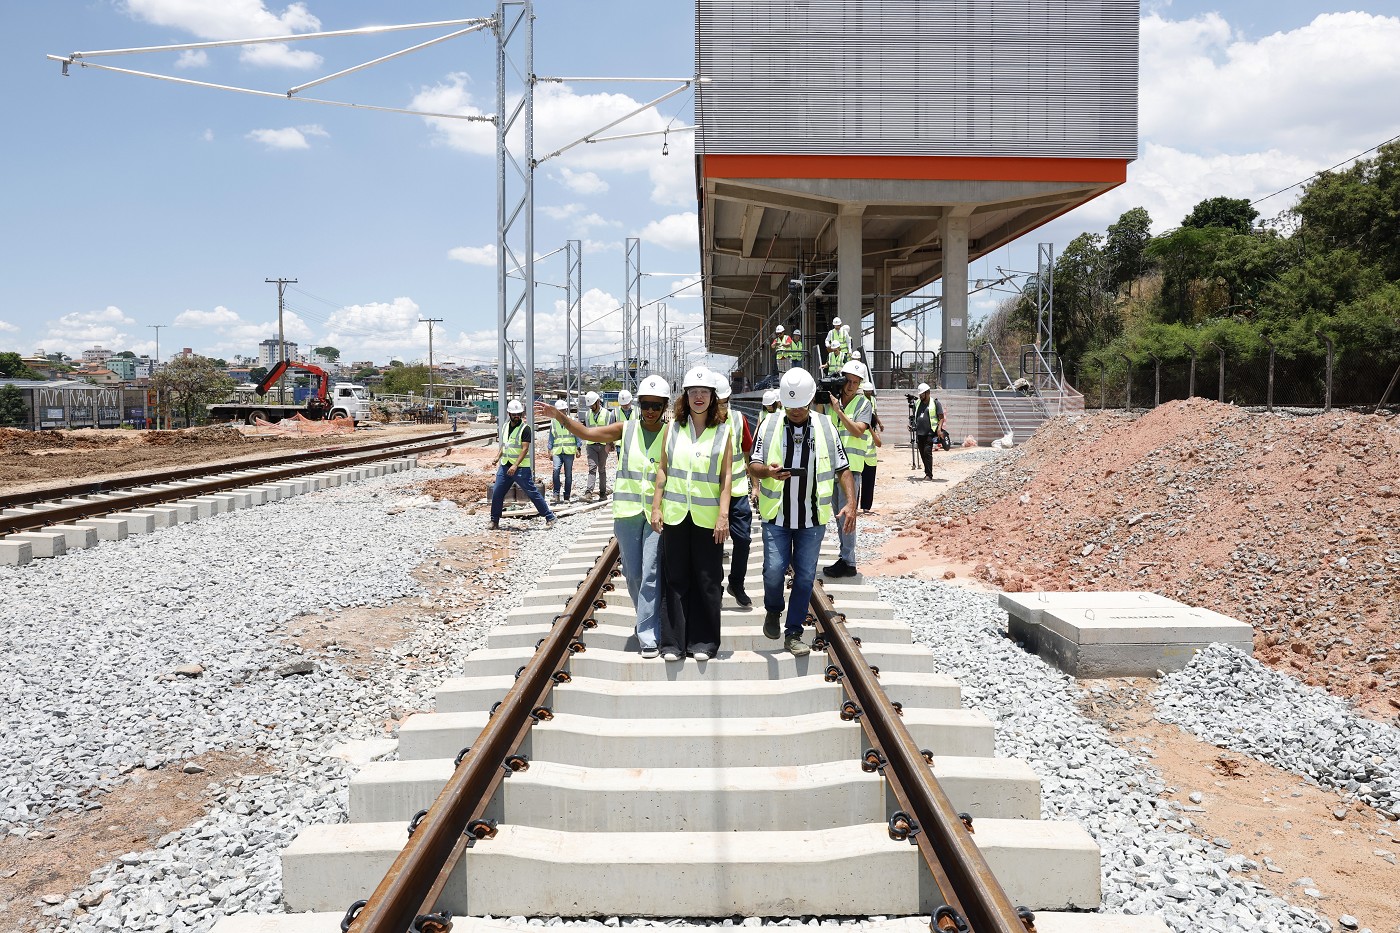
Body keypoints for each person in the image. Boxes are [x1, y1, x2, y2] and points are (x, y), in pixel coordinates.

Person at [536, 375, 671, 658]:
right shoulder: (627, 428)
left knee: (651, 572)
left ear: (664, 407)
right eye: (646, 405)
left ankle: (648, 632)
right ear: (639, 405)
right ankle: (646, 616)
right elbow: (587, 434)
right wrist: (559, 416)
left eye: (656, 406)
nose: (650, 411)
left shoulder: (671, 433)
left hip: (656, 514)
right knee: (633, 574)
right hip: (627, 513)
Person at [751, 367, 857, 656]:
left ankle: (794, 632)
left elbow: (843, 469)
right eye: (790, 405)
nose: (795, 410)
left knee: (805, 576)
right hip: (776, 516)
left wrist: (851, 503)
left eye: (800, 405)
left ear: (810, 400)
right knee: (773, 570)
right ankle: (773, 609)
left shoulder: (826, 427)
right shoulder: (769, 425)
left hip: (812, 519)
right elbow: (753, 465)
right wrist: (768, 474)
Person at [650, 367, 732, 662]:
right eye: (694, 392)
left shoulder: (723, 431)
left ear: (713, 398)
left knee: (707, 579)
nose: (699, 397)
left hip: (708, 518)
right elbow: (663, 469)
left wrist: (724, 515)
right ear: (685, 396)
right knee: (675, 578)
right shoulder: (672, 429)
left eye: (705, 392)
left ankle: (704, 641)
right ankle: (673, 642)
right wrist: (656, 506)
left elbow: (726, 478)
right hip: (675, 515)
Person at [819, 360, 872, 578]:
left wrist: (839, 412)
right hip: (833, 468)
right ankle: (844, 557)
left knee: (848, 515)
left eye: (855, 382)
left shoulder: (863, 404)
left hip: (852, 469)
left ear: (860, 383)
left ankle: (849, 561)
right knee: (839, 515)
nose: (850, 385)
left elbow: (858, 431)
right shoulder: (834, 401)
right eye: (847, 381)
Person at [712, 373, 755, 609]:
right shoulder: (701, 422)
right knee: (713, 544)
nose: (721, 407)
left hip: (737, 490)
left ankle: (736, 583)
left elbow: (747, 453)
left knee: (744, 540)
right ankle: (715, 587)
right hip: (711, 492)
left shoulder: (738, 420)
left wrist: (754, 485)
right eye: (718, 403)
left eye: (724, 402)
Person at [488, 399, 557, 531]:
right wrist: (498, 457)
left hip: (520, 468)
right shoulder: (505, 426)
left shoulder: (525, 429)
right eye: (514, 414)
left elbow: (525, 449)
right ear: (509, 413)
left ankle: (549, 517)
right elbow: (505, 445)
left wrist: (515, 465)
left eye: (519, 413)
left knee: (532, 492)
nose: (517, 416)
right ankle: (494, 520)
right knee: (497, 492)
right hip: (505, 466)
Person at [580, 391, 614, 500]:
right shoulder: (587, 414)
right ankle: (588, 492)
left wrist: (610, 443)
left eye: (592, 405)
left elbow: (610, 430)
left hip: (603, 445)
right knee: (592, 468)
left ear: (598, 402)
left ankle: (603, 493)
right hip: (591, 445)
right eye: (589, 406)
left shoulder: (607, 414)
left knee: (602, 469)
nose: (591, 407)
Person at [859, 381, 883, 513]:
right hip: (859, 459)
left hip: (870, 460)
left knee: (868, 485)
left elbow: (879, 443)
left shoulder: (872, 429)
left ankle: (866, 507)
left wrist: (871, 429)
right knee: (856, 484)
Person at [548, 399, 578, 502]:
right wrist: (549, 449)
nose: (562, 413)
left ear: (566, 410)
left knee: (568, 474)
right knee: (556, 470)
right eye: (559, 411)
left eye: (563, 410)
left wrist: (578, 447)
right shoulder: (553, 421)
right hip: (557, 450)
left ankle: (567, 495)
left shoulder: (571, 420)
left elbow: (577, 434)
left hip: (569, 451)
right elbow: (551, 436)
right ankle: (556, 494)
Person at [913, 382, 939, 479]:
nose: (920, 396)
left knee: (927, 452)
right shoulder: (917, 403)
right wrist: (913, 426)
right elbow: (916, 417)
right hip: (919, 433)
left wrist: (939, 430)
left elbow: (941, 417)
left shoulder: (935, 403)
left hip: (930, 433)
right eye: (919, 394)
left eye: (922, 394)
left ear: (928, 393)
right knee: (922, 453)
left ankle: (929, 474)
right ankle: (927, 471)